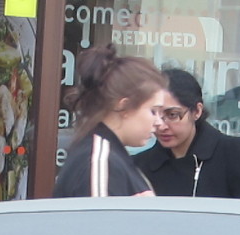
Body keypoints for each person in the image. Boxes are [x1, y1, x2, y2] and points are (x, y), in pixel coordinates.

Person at [133, 69, 240, 200]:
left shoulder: (233, 153)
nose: (161, 126)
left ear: (197, 111)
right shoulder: (140, 165)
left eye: (172, 115)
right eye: (154, 114)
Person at [52, 45, 164, 199]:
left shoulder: (109, 155)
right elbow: (101, 222)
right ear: (124, 106)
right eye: (153, 111)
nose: (159, 122)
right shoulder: (100, 162)